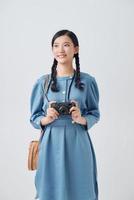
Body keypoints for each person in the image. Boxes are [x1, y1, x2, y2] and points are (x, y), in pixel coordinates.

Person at [30, 29, 100, 200]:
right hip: (50, 143)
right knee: (48, 189)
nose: (60, 50)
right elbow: (34, 117)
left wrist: (82, 118)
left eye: (66, 45)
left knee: (82, 187)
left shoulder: (87, 81)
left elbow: (95, 113)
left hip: (78, 141)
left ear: (76, 49)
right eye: (56, 45)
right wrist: (45, 119)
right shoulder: (42, 82)